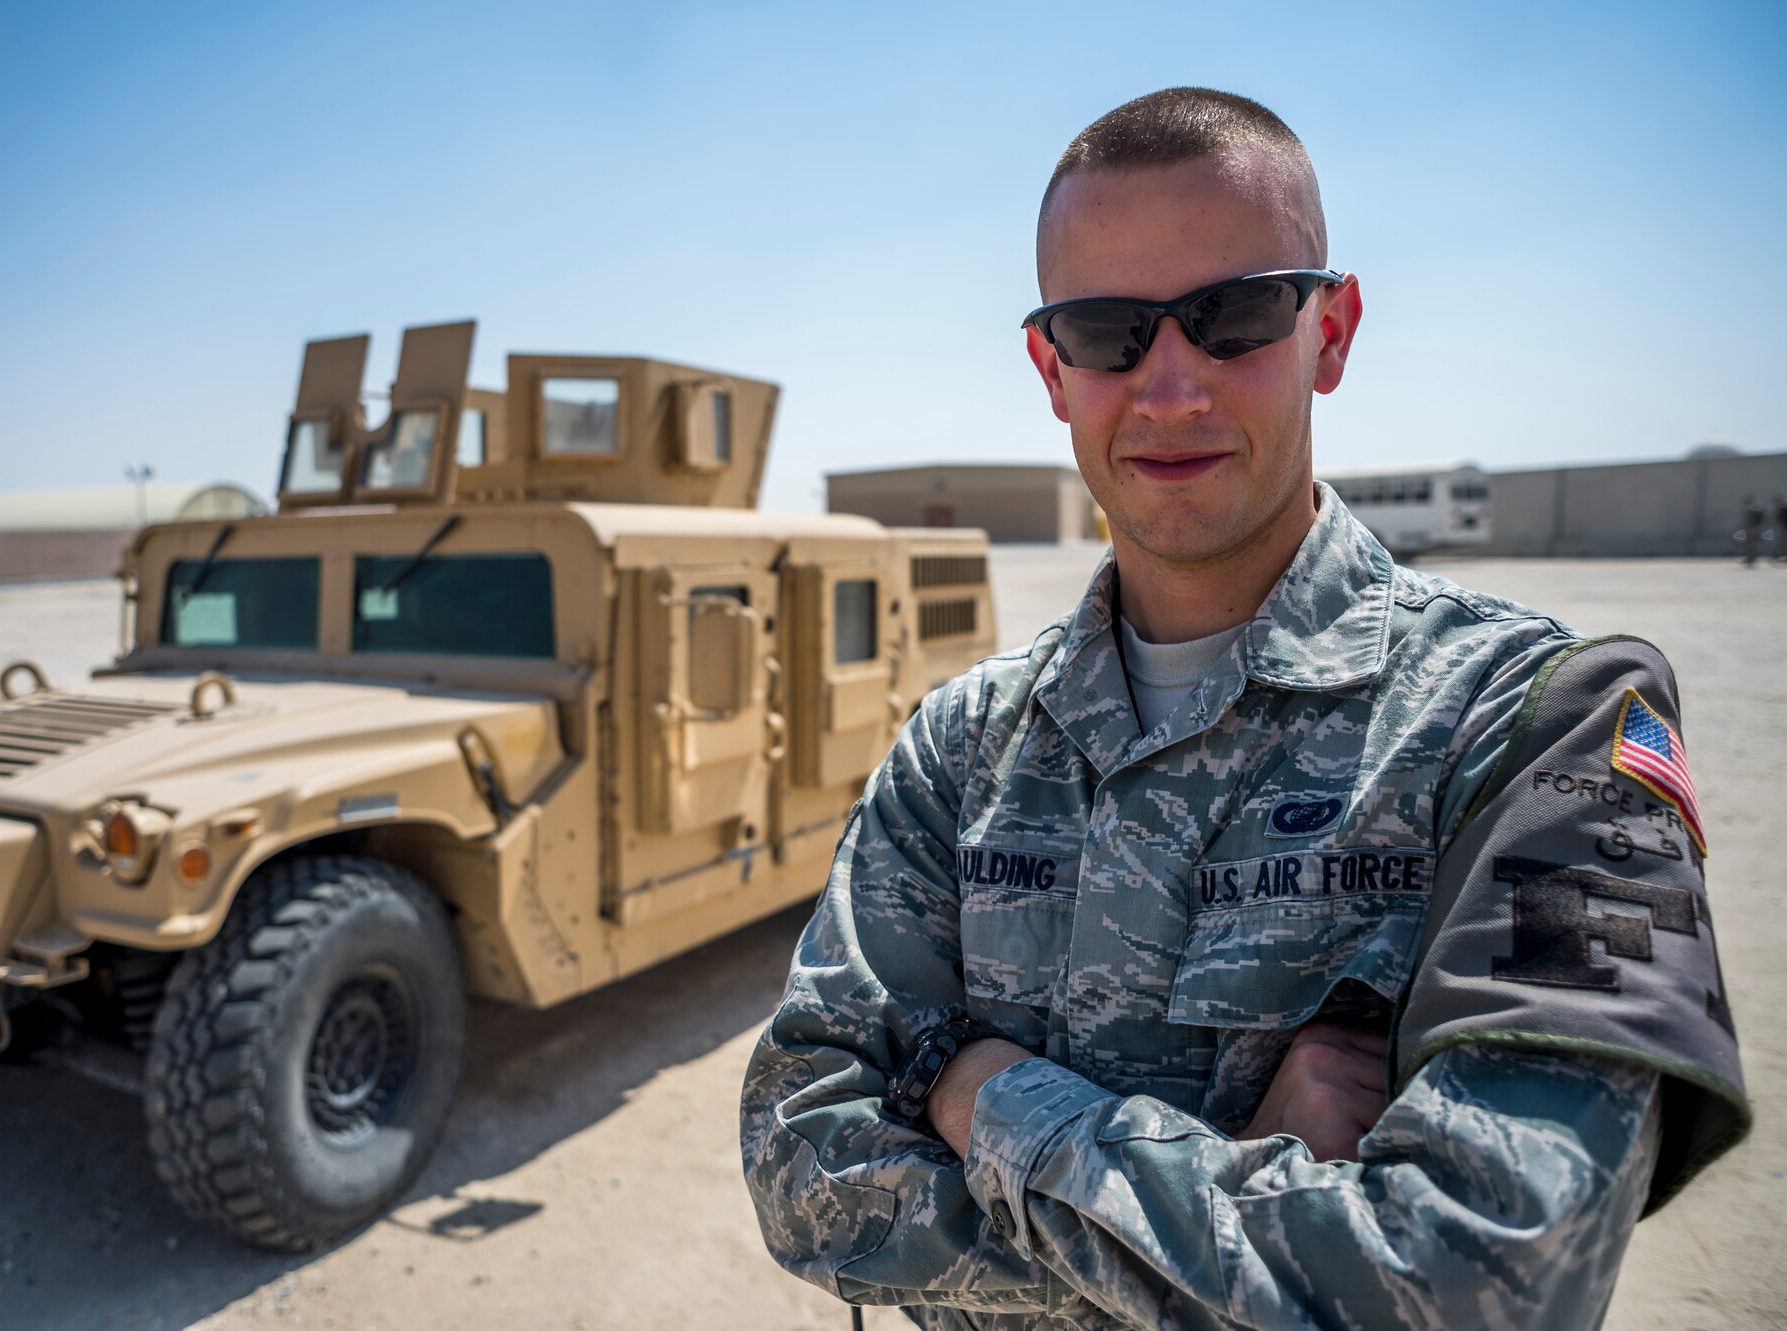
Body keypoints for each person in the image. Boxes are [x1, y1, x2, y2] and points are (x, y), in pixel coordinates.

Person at [740, 88, 1747, 1330]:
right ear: (1051, 368)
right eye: (1107, 330)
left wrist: (977, 1093)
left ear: (1330, 330)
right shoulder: (962, 746)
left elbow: (1482, 1279)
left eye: (1235, 316)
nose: (1169, 386)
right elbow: (800, 1166)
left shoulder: (1533, 722)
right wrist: (1236, 1203)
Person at [1737, 493, 1766, 567]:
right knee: (1750, 545)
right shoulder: (1754, 509)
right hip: (1751, 529)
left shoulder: (1753, 509)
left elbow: (1751, 520)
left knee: (1751, 545)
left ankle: (1751, 557)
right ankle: (1750, 557)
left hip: (1752, 529)